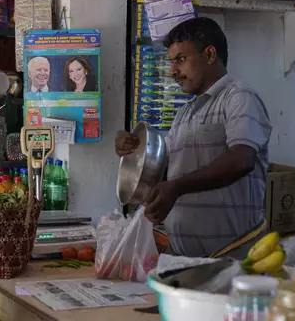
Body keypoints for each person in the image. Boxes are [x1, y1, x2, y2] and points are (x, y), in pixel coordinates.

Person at [115, 17, 272, 258]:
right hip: (184, 259)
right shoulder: (185, 113)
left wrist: (176, 188)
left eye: (180, 59)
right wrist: (133, 148)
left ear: (209, 55)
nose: (173, 71)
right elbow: (164, 169)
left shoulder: (239, 98)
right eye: (171, 61)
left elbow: (242, 159)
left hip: (233, 259)